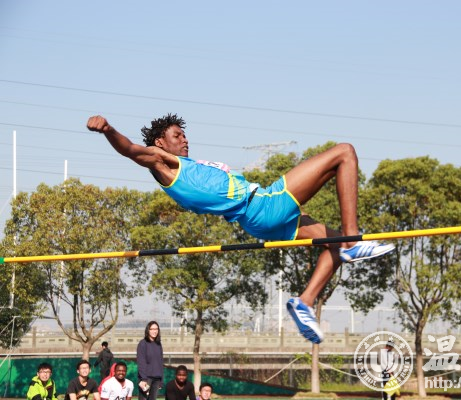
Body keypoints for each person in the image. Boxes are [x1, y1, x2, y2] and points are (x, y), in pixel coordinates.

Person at [87, 115, 394, 344]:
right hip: (262, 205)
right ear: (159, 143)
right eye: (177, 136)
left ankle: (305, 301)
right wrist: (108, 129)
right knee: (345, 152)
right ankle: (353, 240)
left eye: (185, 135)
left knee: (332, 243)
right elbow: (130, 149)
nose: (184, 140)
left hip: (258, 219)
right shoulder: (163, 163)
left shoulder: (189, 165)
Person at [136, 321, 164, 400]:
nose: (154, 331)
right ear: (148, 330)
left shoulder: (159, 344)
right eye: (152, 329)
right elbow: (141, 362)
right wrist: (143, 379)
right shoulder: (143, 343)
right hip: (146, 378)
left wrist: (161, 380)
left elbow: (160, 362)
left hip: (157, 379)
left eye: (156, 329)